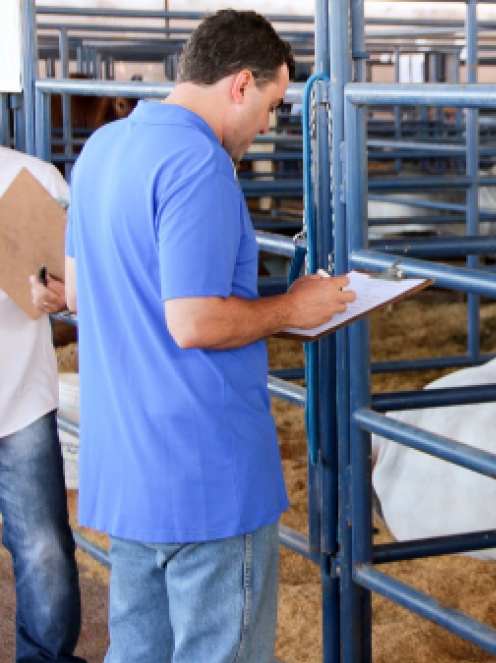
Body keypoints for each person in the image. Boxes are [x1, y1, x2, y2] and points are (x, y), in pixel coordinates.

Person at [52, 9, 354, 663]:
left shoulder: (100, 149)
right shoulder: (200, 164)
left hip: (130, 470)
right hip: (207, 473)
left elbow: (74, 294)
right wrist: (293, 306)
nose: (267, 125)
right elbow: (194, 321)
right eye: (271, 105)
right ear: (240, 83)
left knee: (137, 649)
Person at [1, 146, 86, 663]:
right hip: (20, 398)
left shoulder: (34, 177)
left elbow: (79, 277)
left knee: (43, 549)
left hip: (19, 398)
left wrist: (63, 295)